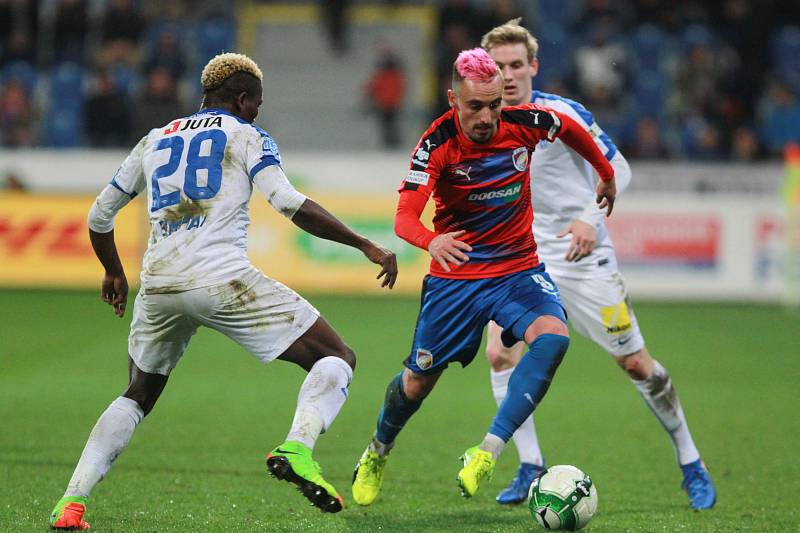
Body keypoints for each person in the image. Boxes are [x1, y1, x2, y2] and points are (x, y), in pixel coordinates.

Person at [49, 53, 398, 530]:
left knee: (138, 393)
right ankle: (298, 445)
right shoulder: (246, 135)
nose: (257, 111)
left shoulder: (156, 138)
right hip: (221, 278)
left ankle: (71, 503)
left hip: (159, 284)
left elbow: (98, 216)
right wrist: (364, 244)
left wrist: (112, 271)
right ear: (241, 98)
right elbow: (289, 203)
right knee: (336, 356)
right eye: (255, 103)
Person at [351, 48, 616, 505]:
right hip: (457, 277)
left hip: (517, 268)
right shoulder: (437, 143)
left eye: (494, 104)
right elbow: (404, 217)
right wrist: (431, 241)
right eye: (476, 105)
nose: (487, 115)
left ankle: (488, 451)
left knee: (554, 338)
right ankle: (377, 450)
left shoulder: (523, 123)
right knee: (416, 384)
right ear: (453, 99)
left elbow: (568, 127)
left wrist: (606, 173)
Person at [479, 19, 716, 509]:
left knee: (636, 363)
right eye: (498, 66)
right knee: (500, 354)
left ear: (533, 66)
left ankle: (692, 463)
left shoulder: (561, 114)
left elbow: (619, 168)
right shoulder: (481, 123)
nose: (507, 75)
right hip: (522, 260)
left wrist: (590, 219)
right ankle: (530, 465)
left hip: (583, 257)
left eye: (516, 65)